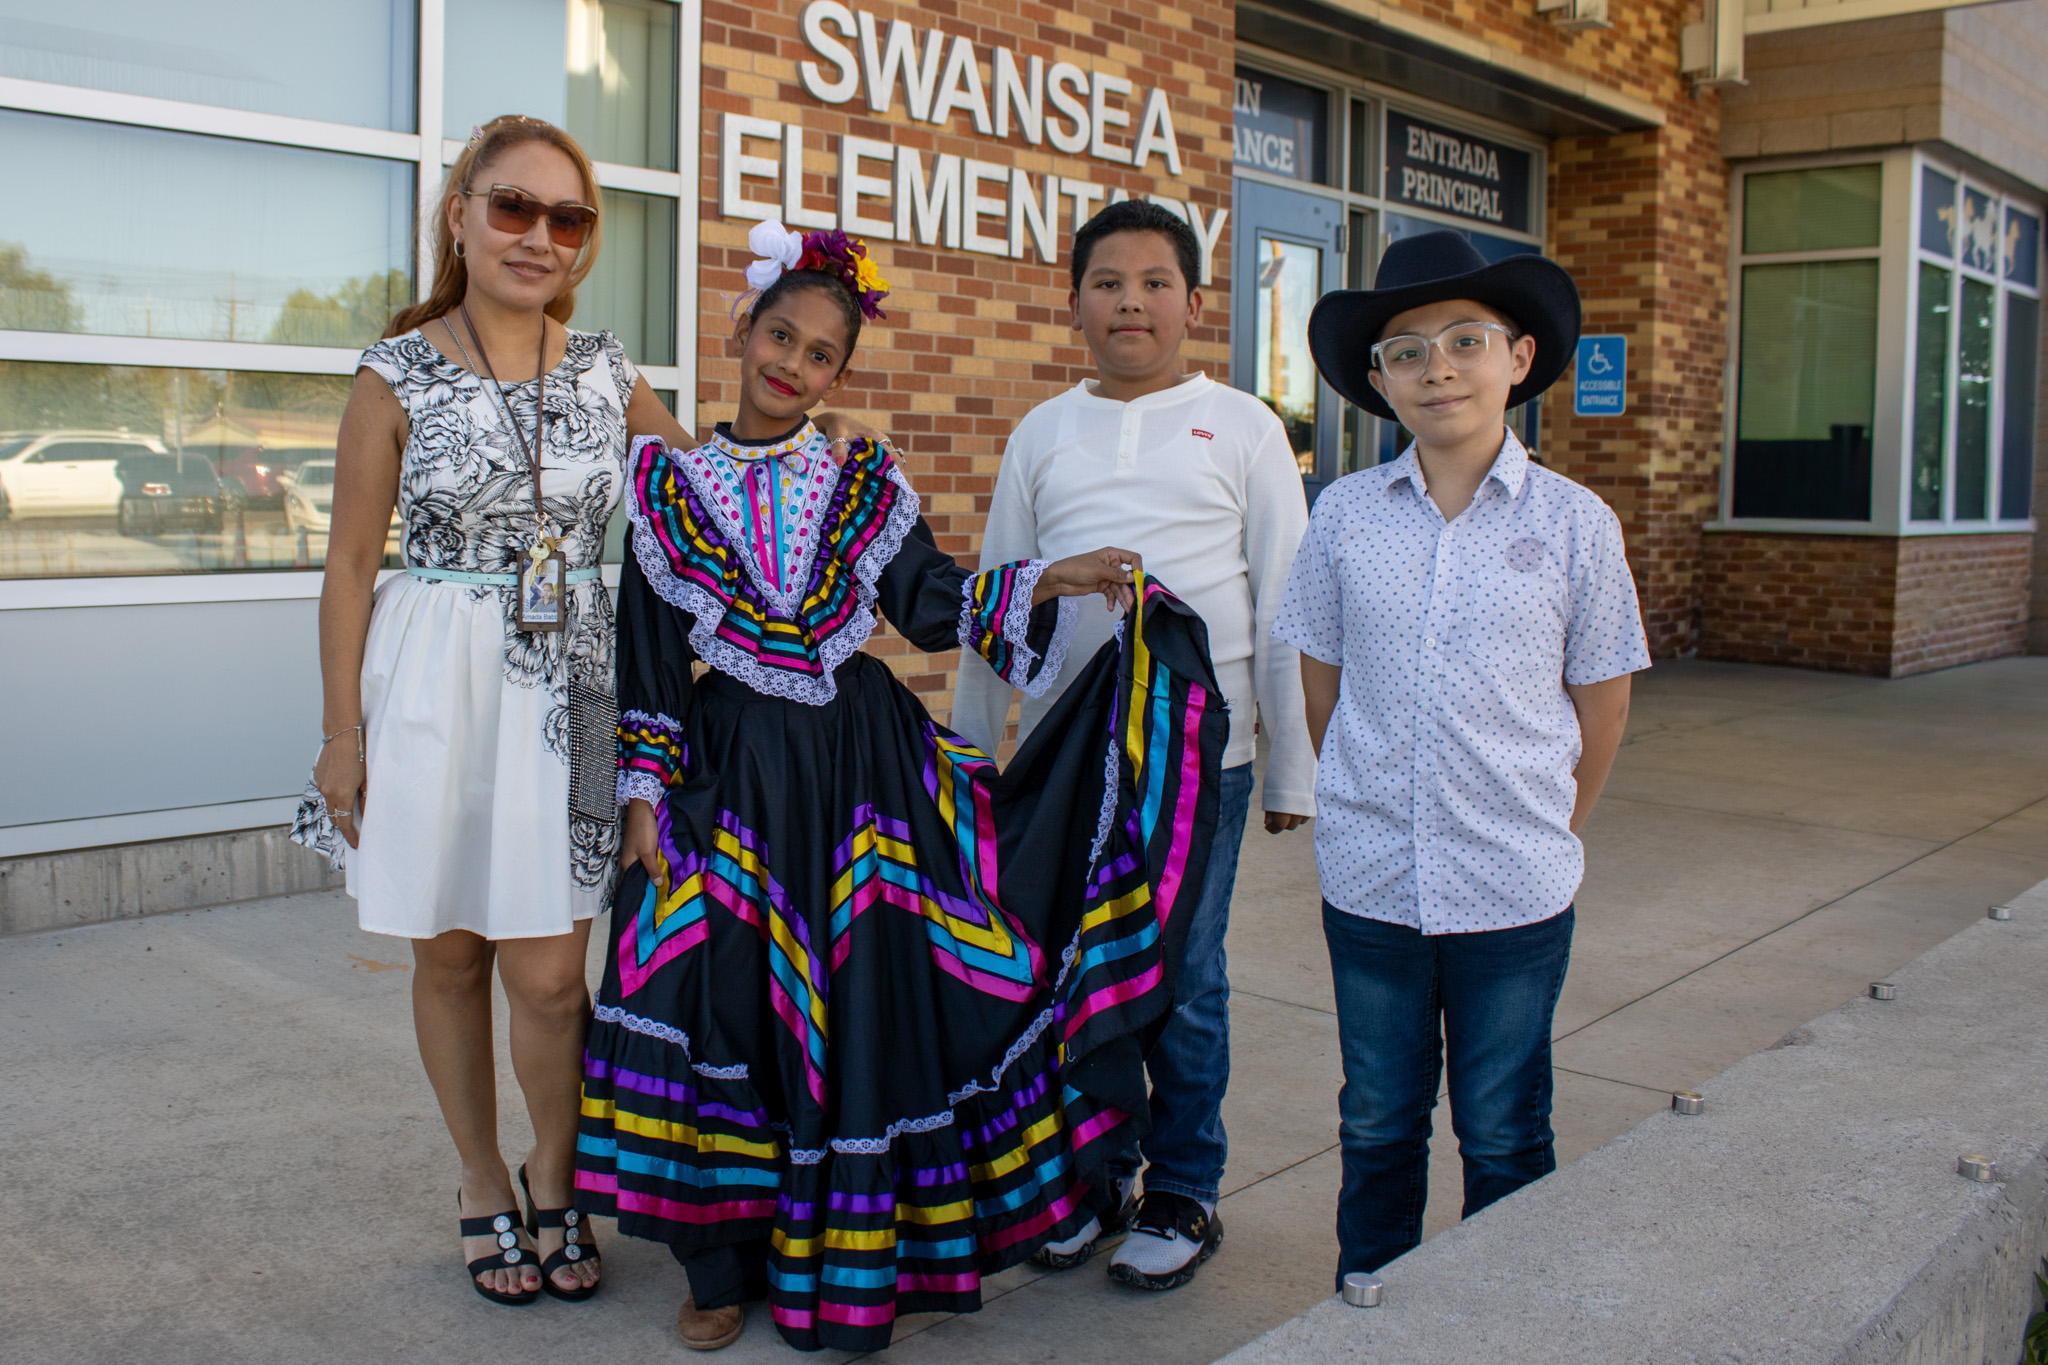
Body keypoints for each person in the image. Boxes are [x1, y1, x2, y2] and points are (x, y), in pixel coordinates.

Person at [574, 220, 1229, 1353]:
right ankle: (717, 1262)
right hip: (728, 779)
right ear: (740, 331)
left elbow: (928, 601)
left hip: (862, 776)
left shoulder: (862, 476)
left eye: (821, 353)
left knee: (871, 1005)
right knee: (708, 990)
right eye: (779, 335)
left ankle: (838, 1252)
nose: (792, 364)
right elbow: (646, 659)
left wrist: (1048, 581)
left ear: (841, 371)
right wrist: (642, 793)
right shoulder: (665, 485)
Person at [290, 115, 880, 1308]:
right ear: (459, 213)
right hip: (432, 687)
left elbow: (712, 492)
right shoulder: (390, 372)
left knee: (555, 975)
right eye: (512, 208)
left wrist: (827, 467)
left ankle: (552, 1178)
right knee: (449, 955)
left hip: (575, 691)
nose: (537, 238)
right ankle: (477, 1181)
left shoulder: (608, 370)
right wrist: (340, 734)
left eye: (566, 219)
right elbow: (350, 565)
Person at [950, 199, 1314, 1291]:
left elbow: (1288, 608)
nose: (1130, 304)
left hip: (1199, 763)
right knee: (1069, 969)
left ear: (1194, 304)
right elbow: (997, 604)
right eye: (1107, 282)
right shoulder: (1042, 433)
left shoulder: (1243, 426)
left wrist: (1289, 764)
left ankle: (1184, 1186)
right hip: (1068, 763)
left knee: (1185, 978)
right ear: (1073, 304)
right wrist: (975, 763)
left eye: (1155, 282)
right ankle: (1093, 1174)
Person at [1271, 229, 1648, 1283]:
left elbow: (1600, 704)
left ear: (1516, 359)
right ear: (1376, 380)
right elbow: (1320, 687)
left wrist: (1545, 827)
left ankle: (1494, 1319)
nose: (1436, 367)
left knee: (1502, 1127)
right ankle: (1371, 1307)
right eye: (1404, 350)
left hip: (1513, 888)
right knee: (1379, 1120)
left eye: (1464, 340)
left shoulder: (1576, 525)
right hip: (1372, 883)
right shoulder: (1342, 516)